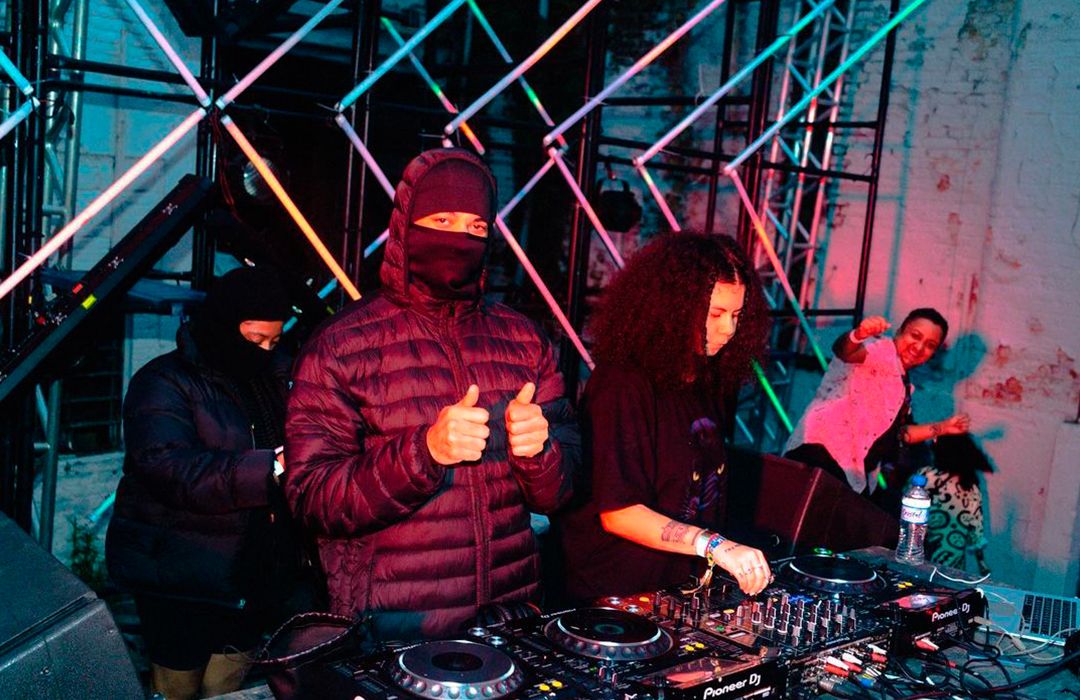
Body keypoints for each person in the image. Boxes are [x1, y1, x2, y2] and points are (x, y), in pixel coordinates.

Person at [283, 148, 579, 642]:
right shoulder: (342, 344)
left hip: (510, 620)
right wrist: (424, 453)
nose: (460, 238)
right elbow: (313, 498)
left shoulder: (525, 340)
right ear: (407, 227)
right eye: (442, 220)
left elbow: (559, 493)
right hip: (395, 629)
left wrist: (539, 452)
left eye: (476, 227)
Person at [106, 266, 298, 700]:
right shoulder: (162, 382)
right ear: (225, 325)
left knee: (225, 688)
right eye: (255, 339)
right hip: (180, 575)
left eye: (273, 341)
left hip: (251, 573)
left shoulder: (277, 377)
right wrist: (270, 468)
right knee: (177, 688)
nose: (265, 351)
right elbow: (171, 470)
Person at [556, 232, 774, 601]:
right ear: (675, 308)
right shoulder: (622, 384)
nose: (729, 329)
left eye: (737, 315)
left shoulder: (707, 378)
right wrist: (714, 545)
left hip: (675, 590)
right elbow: (619, 512)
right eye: (715, 314)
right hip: (612, 595)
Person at [784, 309, 970, 512]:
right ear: (899, 332)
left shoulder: (905, 386)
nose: (919, 347)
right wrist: (858, 335)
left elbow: (900, 434)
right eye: (915, 336)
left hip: (853, 474)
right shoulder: (881, 349)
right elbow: (844, 351)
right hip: (822, 456)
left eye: (930, 345)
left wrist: (943, 427)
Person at [916, 434, 992, 574]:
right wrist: (982, 566)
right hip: (954, 567)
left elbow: (905, 508)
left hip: (922, 559)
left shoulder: (926, 475)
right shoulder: (971, 488)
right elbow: (976, 534)